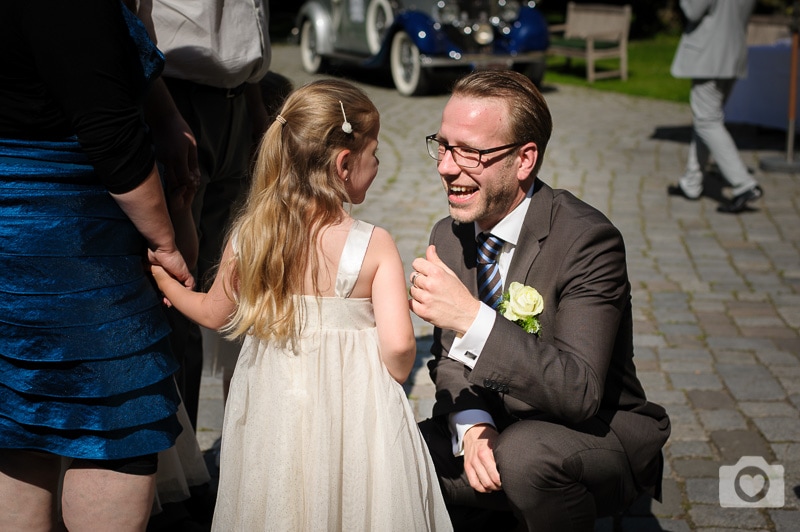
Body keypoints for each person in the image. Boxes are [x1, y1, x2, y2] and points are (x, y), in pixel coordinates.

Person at [151, 79, 453, 531]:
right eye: (376, 156)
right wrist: (391, 365)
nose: (377, 165)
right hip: (355, 412)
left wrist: (167, 284)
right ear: (344, 164)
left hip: (276, 407)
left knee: (281, 499)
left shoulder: (251, 236)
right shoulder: (374, 245)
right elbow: (398, 351)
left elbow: (215, 314)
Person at [409, 70, 671, 531]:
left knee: (525, 456)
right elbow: (448, 361)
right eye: (444, 145)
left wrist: (472, 318)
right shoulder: (447, 236)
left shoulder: (587, 241)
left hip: (590, 433)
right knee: (395, 453)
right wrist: (472, 427)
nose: (446, 167)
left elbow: (581, 392)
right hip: (497, 425)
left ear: (524, 159)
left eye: (470, 152)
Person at [0, 1, 194, 530]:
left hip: (27, 233)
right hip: (66, 237)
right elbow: (108, 127)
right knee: (115, 423)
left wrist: (166, 112)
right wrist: (165, 240)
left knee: (18, 425)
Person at [137, 0, 272, 427]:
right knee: (180, 287)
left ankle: (237, 443)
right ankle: (178, 454)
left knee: (236, 284)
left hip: (238, 100)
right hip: (174, 96)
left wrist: (254, 112)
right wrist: (163, 113)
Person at [667, 0, 762, 214]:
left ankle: (744, 185)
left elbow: (693, 10)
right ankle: (691, 182)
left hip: (709, 54)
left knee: (707, 121)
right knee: (706, 120)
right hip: (733, 53)